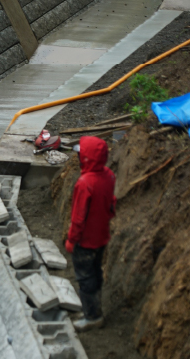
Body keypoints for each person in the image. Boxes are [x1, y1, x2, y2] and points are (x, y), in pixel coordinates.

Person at [65, 136, 116, 332]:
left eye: (81, 155)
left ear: (87, 158)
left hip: (86, 241)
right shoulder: (109, 175)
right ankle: (93, 309)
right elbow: (111, 204)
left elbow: (78, 218)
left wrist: (71, 240)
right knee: (96, 273)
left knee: (85, 277)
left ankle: (93, 316)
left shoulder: (85, 183)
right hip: (102, 237)